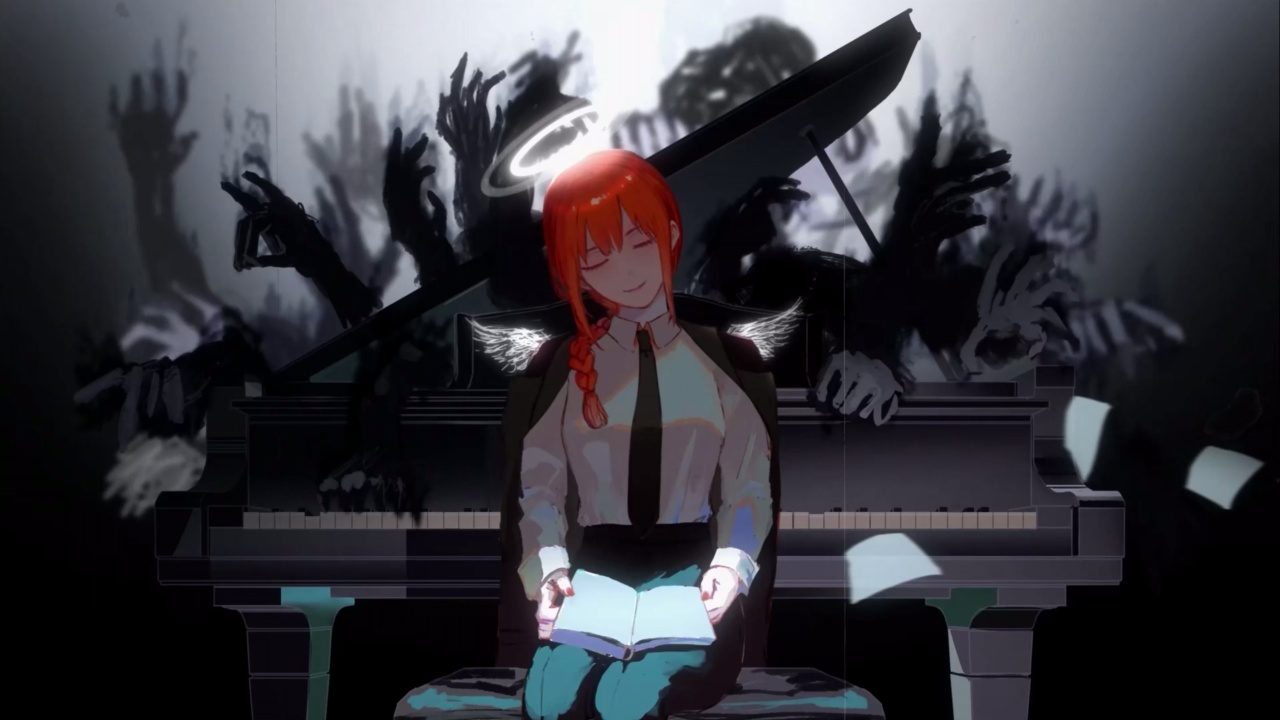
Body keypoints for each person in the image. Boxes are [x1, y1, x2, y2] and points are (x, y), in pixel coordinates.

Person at [506, 149, 778, 720]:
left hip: (692, 578)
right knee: (548, 701)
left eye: (638, 242)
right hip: (594, 578)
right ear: (576, 272)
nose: (625, 269)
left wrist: (730, 567)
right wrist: (549, 569)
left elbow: (749, 481)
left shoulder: (722, 360)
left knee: (625, 700)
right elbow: (539, 484)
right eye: (597, 258)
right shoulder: (565, 367)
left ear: (670, 234)